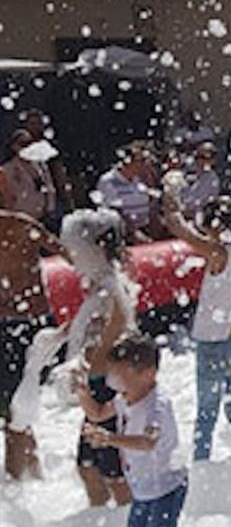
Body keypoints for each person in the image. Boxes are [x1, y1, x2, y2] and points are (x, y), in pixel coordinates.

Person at [11, 209, 137, 506]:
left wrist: (92, 359)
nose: (72, 256)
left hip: (108, 383)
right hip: (98, 380)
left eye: (75, 249)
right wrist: (59, 337)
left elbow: (120, 321)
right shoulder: (98, 282)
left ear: (93, 249)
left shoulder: (109, 284)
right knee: (89, 466)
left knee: (110, 471)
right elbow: (91, 321)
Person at [163, 195, 231, 461]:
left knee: (206, 413)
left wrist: (172, 197)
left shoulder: (218, 252)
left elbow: (178, 227)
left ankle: (200, 466)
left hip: (213, 341)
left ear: (217, 226)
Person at [77, 336, 188, 527]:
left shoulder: (157, 407)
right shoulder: (126, 398)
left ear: (148, 373)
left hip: (166, 488)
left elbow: (148, 442)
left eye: (121, 377)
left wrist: (109, 439)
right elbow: (97, 413)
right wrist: (82, 393)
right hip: (142, 489)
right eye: (114, 376)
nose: (115, 384)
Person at [0, 210, 66, 481]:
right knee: (19, 408)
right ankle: (33, 473)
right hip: (33, 322)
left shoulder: (21, 225)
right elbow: (70, 254)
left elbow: (68, 253)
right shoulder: (22, 224)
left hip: (16, 326)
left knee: (14, 413)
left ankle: (19, 484)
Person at [93, 146, 157, 244]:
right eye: (142, 160)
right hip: (126, 237)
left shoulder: (140, 179)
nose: (145, 164)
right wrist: (134, 233)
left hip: (147, 230)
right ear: (128, 162)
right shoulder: (108, 181)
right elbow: (114, 212)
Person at [0, 129, 57, 228]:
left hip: (43, 218)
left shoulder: (41, 165)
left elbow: (49, 186)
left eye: (30, 143)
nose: (27, 147)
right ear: (13, 147)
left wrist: (50, 209)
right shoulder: (7, 169)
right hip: (20, 219)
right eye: (23, 144)